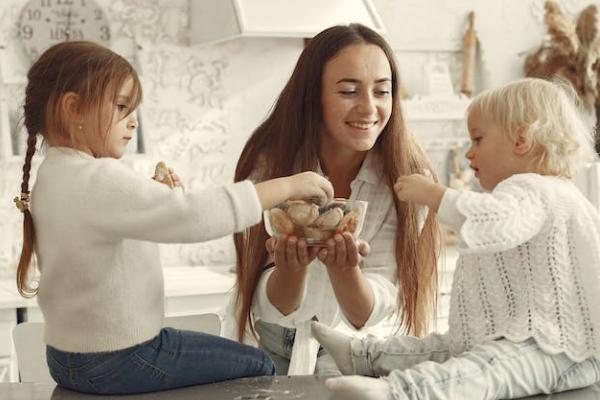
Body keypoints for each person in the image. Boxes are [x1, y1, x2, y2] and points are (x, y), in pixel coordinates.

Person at [14, 41, 334, 395]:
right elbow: (193, 216)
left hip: (67, 359)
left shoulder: (55, 175)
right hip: (120, 359)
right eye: (122, 107)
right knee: (259, 365)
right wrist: (288, 186)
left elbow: (113, 222)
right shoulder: (99, 177)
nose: (134, 121)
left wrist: (156, 195)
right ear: (73, 109)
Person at [312, 77, 600, 400]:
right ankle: (363, 356)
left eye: (478, 140)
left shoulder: (537, 190)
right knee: (444, 348)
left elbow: (493, 221)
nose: (468, 153)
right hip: (519, 336)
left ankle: (398, 392)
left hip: (559, 350)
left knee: (487, 369)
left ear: (521, 139)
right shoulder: (532, 192)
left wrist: (435, 195)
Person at [229, 23, 441, 376]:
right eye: (348, 91)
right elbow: (267, 305)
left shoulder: (408, 181)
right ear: (313, 96)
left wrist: (346, 272)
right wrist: (290, 270)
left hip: (353, 351)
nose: (369, 108)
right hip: (264, 343)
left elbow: (367, 312)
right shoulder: (270, 165)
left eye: (382, 91)